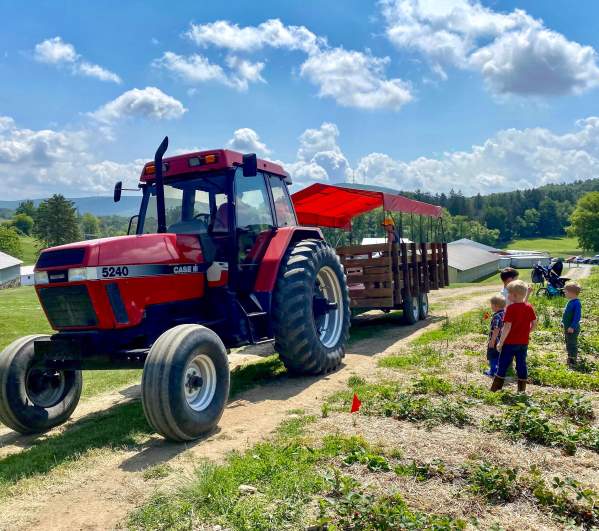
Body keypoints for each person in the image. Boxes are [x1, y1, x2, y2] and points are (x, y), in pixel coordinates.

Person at [491, 280, 537, 393]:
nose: (507, 295)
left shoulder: (510, 309)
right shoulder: (528, 307)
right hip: (523, 343)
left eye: (509, 293)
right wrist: (528, 332)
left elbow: (507, 327)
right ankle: (521, 390)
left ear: (514, 295)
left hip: (510, 343)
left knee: (503, 364)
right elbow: (535, 323)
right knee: (521, 364)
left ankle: (496, 389)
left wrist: (500, 342)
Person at [562, 282, 582, 369]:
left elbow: (577, 317)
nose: (564, 293)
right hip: (567, 327)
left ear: (571, 293)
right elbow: (566, 314)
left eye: (565, 292)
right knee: (568, 342)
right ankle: (570, 357)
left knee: (572, 344)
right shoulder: (570, 301)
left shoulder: (576, 303)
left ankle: (573, 360)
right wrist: (562, 322)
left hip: (572, 328)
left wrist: (572, 326)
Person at [485, 295, 506, 377]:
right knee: (499, 356)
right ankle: (498, 370)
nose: (491, 306)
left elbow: (496, 329)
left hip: (495, 340)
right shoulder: (504, 313)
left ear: (495, 306)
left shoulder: (497, 316)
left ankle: (492, 371)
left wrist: (492, 341)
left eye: (491, 305)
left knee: (492, 355)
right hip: (502, 340)